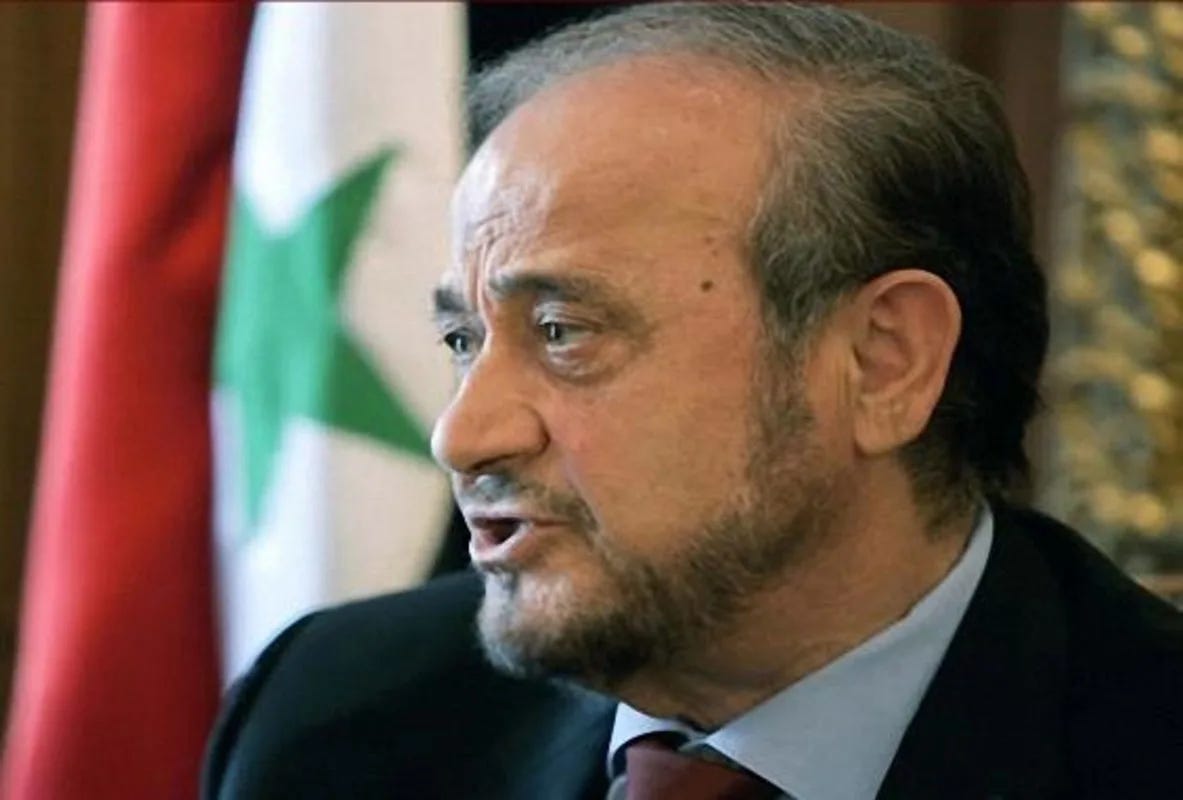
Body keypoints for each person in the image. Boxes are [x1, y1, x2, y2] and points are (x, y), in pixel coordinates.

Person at [202, 4, 1183, 798]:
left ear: (882, 362)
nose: (462, 435)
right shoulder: (333, 715)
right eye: (464, 340)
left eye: (563, 332)